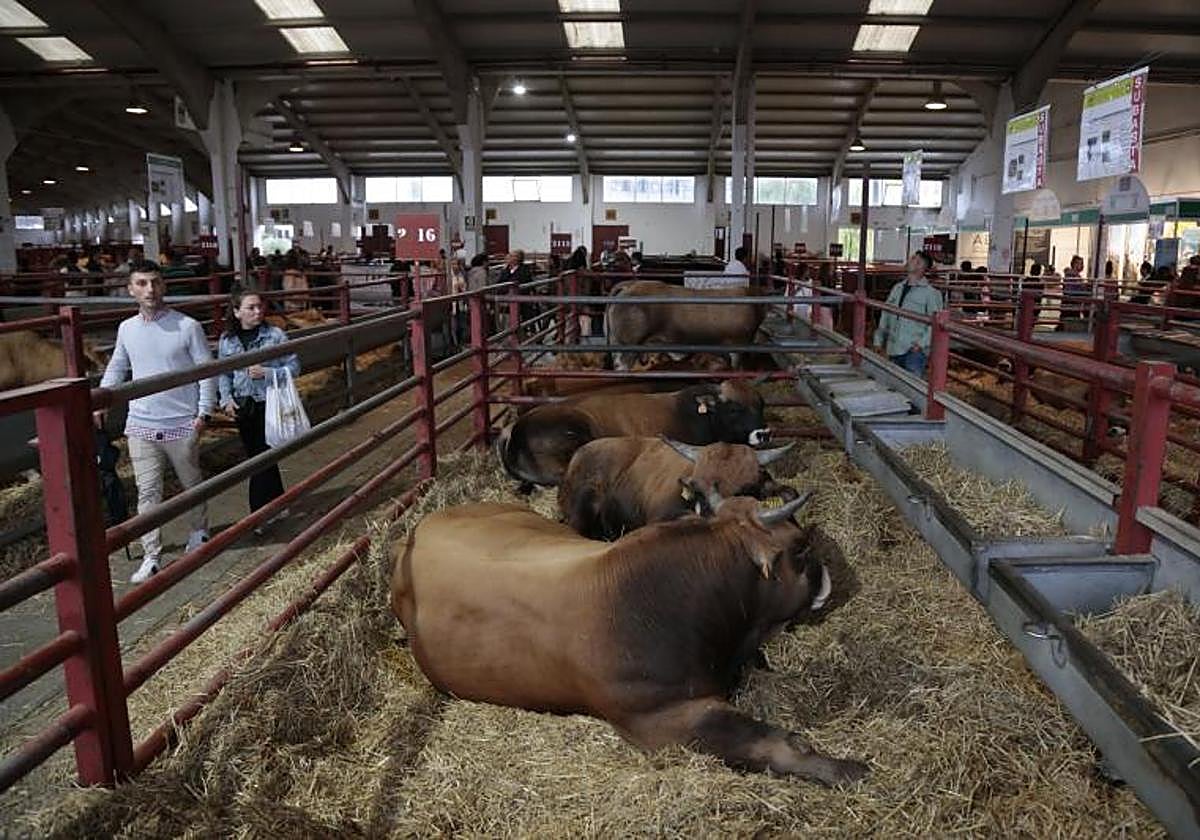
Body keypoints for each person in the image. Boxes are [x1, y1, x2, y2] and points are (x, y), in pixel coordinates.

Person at [98, 260, 216, 583]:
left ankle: (199, 532)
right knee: (147, 492)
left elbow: (206, 371)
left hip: (182, 420)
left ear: (164, 286)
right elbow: (118, 365)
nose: (150, 289)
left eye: (155, 282)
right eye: (142, 283)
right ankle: (152, 554)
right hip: (141, 422)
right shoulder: (127, 329)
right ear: (131, 289)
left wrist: (203, 413)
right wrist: (102, 398)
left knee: (191, 483)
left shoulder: (187, 326)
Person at [218, 290, 300, 526]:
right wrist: (226, 399)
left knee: (260, 457)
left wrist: (269, 373)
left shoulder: (274, 335)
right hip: (243, 404)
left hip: (269, 401)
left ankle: (259, 514)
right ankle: (278, 502)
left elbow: (294, 366)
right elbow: (223, 373)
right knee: (261, 454)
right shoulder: (227, 340)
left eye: (259, 307)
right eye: (251, 308)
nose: (258, 312)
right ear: (236, 312)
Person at [872, 250, 944, 376]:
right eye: (912, 259)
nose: (911, 261)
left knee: (911, 388)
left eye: (916, 260)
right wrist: (878, 340)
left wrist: (920, 345)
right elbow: (886, 314)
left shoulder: (931, 293)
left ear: (922, 267)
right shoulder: (897, 288)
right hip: (893, 347)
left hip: (913, 350)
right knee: (895, 384)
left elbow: (936, 323)